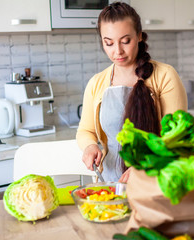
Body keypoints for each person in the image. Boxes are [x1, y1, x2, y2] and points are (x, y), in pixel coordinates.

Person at [76, 2, 187, 183]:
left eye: (125, 41)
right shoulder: (97, 83)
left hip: (156, 179)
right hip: (111, 182)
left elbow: (175, 136)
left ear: (140, 36)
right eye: (109, 43)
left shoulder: (165, 76)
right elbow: (85, 130)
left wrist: (143, 166)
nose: (117, 51)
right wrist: (89, 146)